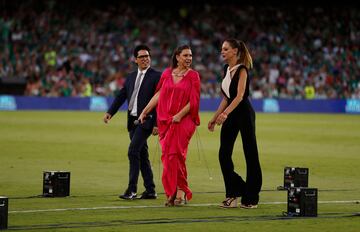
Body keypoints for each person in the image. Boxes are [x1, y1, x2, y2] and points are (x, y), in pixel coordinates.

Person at [138, 45, 200, 206]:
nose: (189, 58)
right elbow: (159, 94)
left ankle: (180, 192)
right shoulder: (166, 73)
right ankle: (173, 191)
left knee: (176, 155)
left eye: (191, 56)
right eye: (185, 55)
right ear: (177, 57)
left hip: (184, 121)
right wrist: (145, 111)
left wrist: (179, 115)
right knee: (168, 157)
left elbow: (194, 101)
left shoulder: (194, 76)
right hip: (166, 121)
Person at [208, 39, 262, 209]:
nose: (222, 51)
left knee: (250, 154)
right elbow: (226, 97)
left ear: (235, 51)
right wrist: (215, 117)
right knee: (224, 154)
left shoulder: (242, 70)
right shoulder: (226, 69)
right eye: (221, 49)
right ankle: (236, 190)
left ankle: (251, 197)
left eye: (225, 49)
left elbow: (239, 96)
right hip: (230, 113)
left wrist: (225, 114)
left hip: (244, 113)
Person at [103, 44, 161, 200]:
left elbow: (160, 101)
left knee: (132, 151)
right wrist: (110, 112)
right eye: (142, 57)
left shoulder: (157, 76)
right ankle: (150, 190)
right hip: (132, 122)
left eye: (147, 56)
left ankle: (132, 190)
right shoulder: (130, 77)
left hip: (147, 121)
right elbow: (122, 96)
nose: (145, 59)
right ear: (135, 60)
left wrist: (156, 123)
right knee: (143, 155)